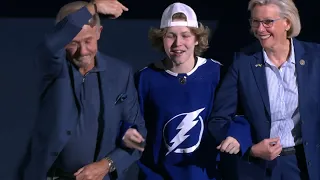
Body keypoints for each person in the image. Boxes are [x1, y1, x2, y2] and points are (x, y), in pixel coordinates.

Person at [120, 2, 251, 180]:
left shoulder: (217, 73)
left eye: (185, 35)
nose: (177, 43)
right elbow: (130, 119)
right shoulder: (145, 77)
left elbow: (242, 114)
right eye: (170, 36)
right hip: (157, 175)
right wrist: (126, 132)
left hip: (207, 174)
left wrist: (237, 136)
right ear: (161, 39)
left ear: (197, 38)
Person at [23, 1, 146, 180]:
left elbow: (139, 135)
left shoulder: (120, 73)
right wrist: (93, 6)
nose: (83, 51)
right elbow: (51, 44)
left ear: (98, 32)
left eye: (88, 41)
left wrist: (108, 164)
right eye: (73, 43)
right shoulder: (52, 68)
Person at [208, 0, 320, 179]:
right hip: (259, 168)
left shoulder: (315, 58)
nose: (260, 30)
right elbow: (218, 120)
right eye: (255, 22)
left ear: (287, 22)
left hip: (306, 165)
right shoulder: (243, 62)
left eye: (268, 22)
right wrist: (250, 148)